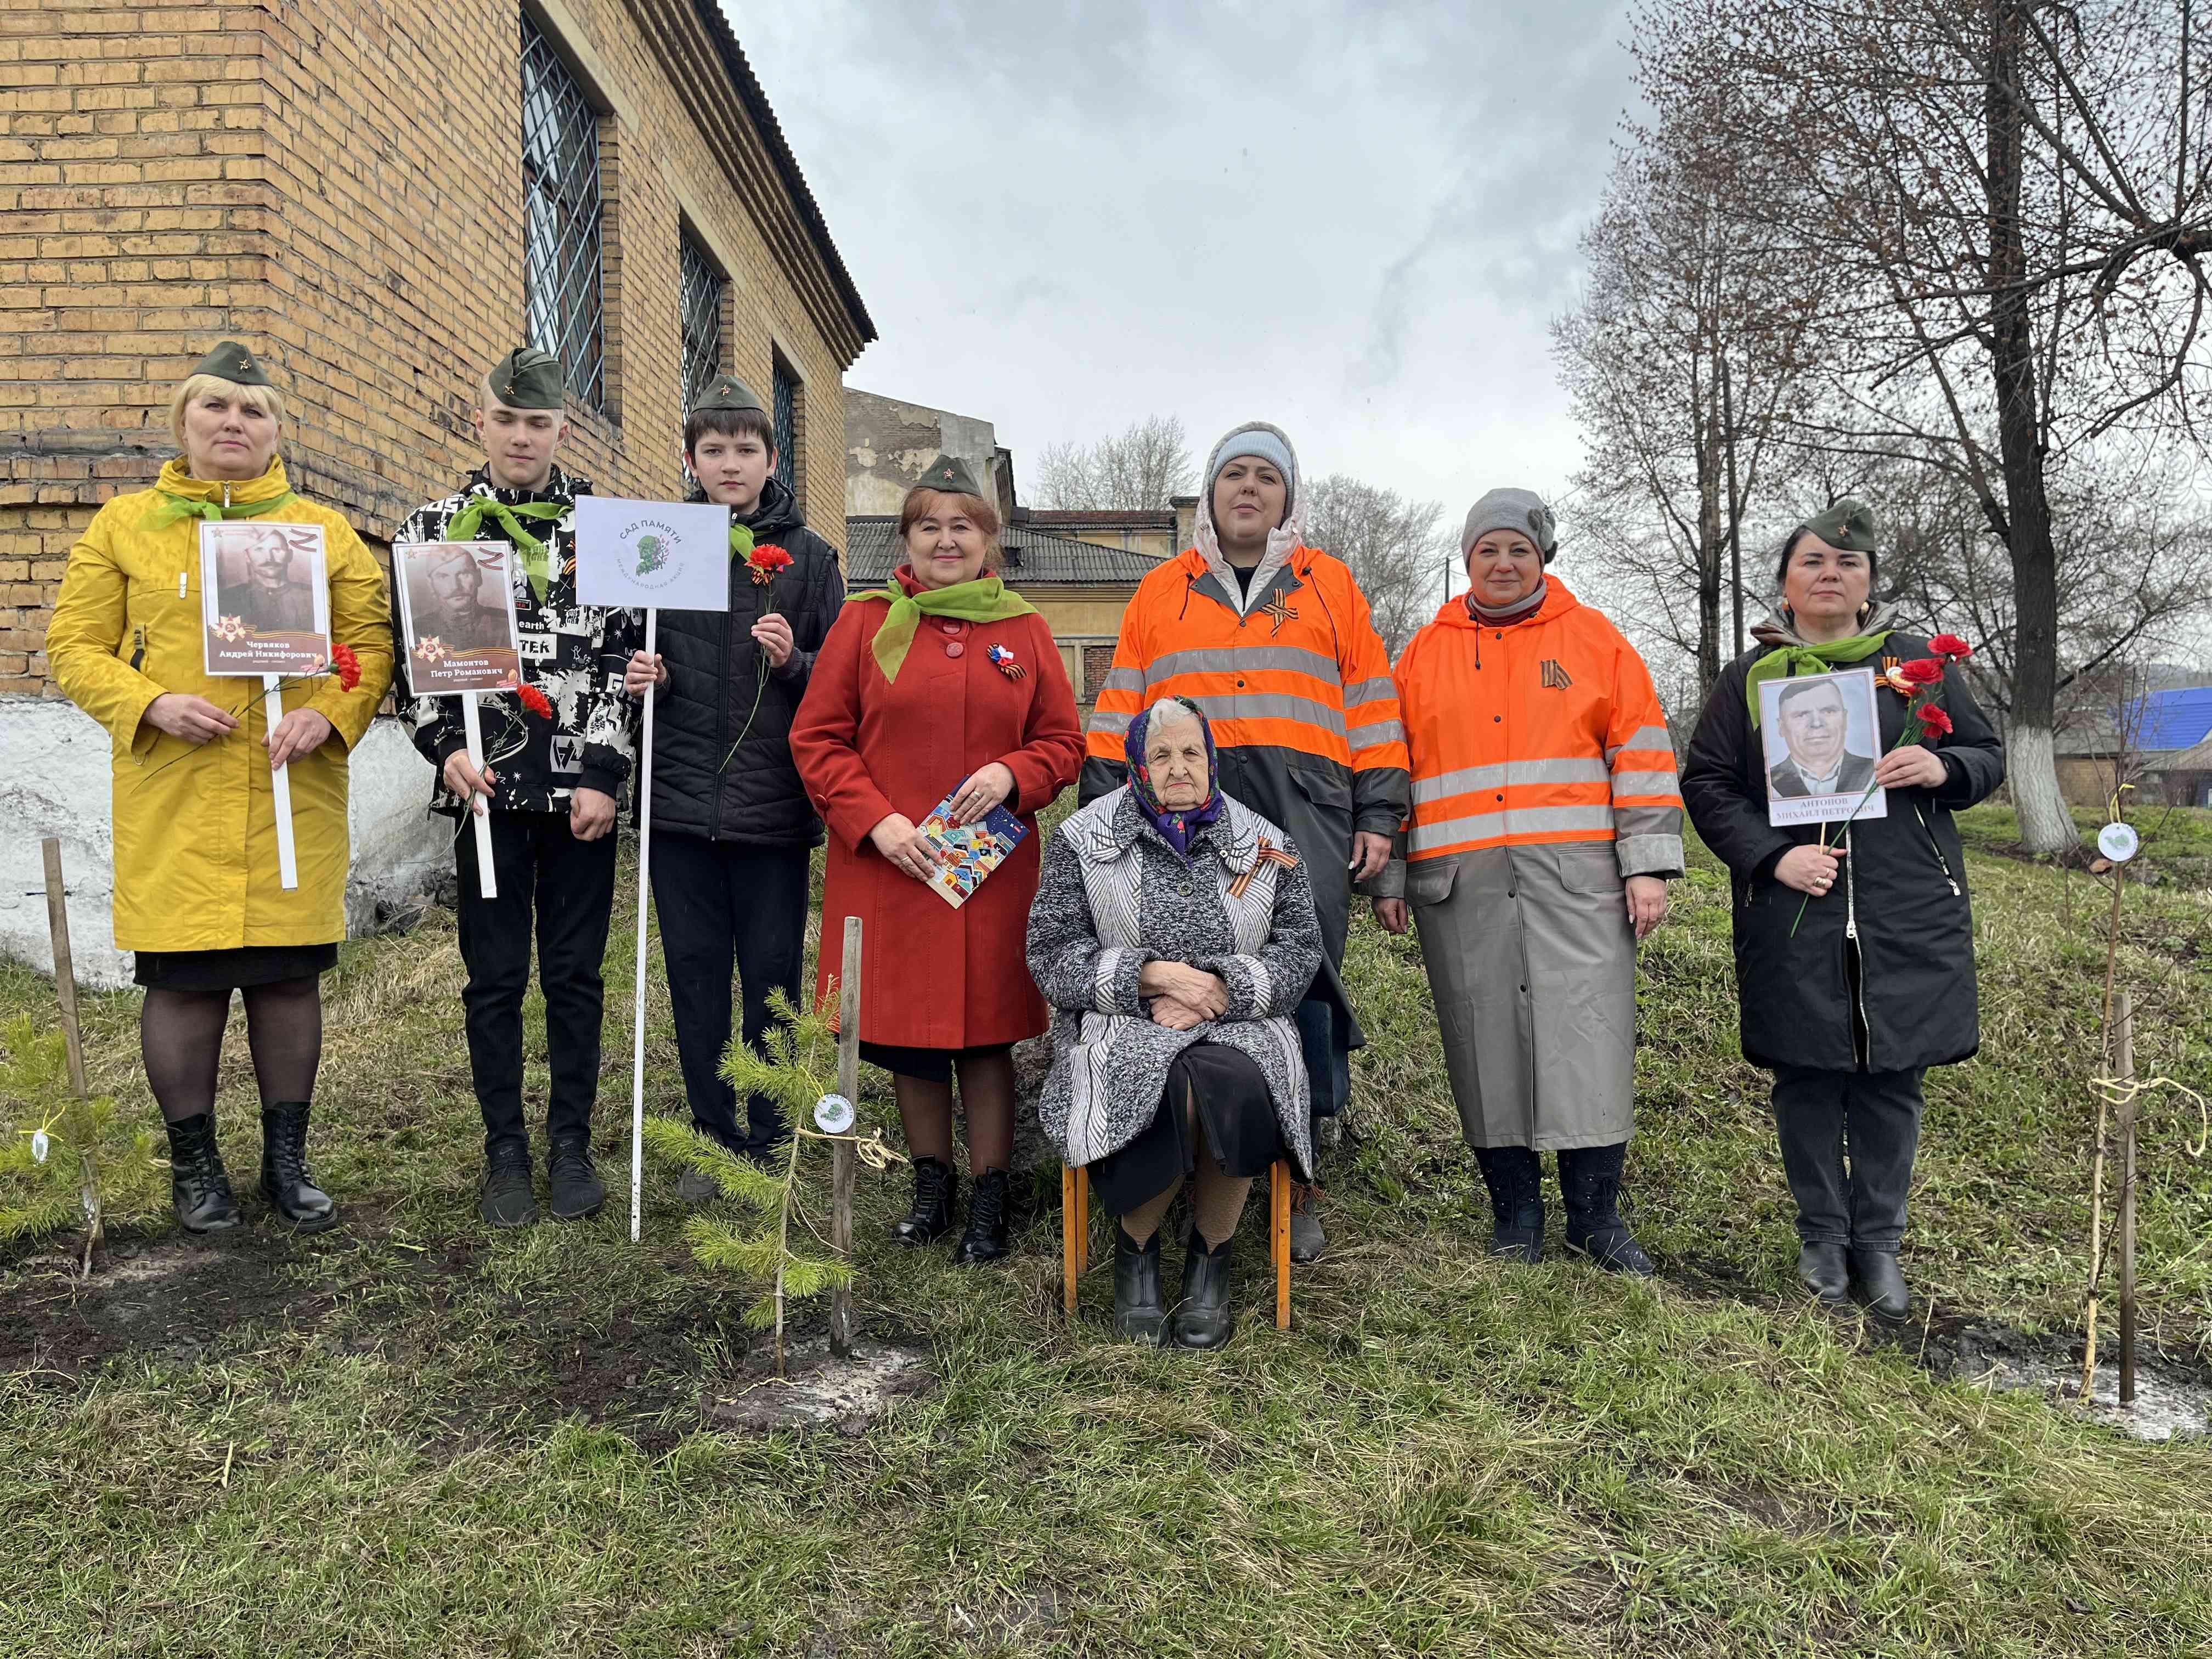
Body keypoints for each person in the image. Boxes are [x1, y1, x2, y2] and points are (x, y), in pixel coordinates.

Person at [45, 340, 393, 1234]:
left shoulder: (322, 531)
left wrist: (329, 712)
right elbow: (76, 647)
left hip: (289, 789)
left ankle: (288, 1159)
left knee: (286, 981)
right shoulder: (125, 525)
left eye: (253, 411)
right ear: (184, 423)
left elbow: (370, 643)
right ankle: (194, 1165)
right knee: (187, 982)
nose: (234, 423)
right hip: (179, 795)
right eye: (216, 409)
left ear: (277, 430)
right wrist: (150, 699)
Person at [1081, 422, 1408, 1262]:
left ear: (1288, 497)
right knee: (1186, 975)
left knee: (1302, 980)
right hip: (1187, 818)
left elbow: (1372, 707)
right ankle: (1176, 1156)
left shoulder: (1331, 585)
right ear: (1211, 493)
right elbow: (1122, 706)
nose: (1250, 490)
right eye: (1236, 475)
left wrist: (1377, 816)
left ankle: (1298, 1178)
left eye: (1268, 477)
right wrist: (1098, 813)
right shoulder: (1160, 591)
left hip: (1305, 816)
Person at [1681, 499, 2004, 1319]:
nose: (1831, 575)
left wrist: (1943, 772)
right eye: (1813, 563)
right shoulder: (1749, 680)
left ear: (1867, 585)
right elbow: (1709, 785)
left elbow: (1985, 754)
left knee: (1894, 1077)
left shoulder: (1920, 666)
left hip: (1905, 905)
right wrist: (1772, 854)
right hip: (1796, 908)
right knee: (1809, 1076)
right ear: (1786, 586)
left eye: (1848, 565)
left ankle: (1881, 1242)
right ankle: (1822, 1235)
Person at [1369, 489, 1681, 1274]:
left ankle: (1594, 1217)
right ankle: (1515, 1213)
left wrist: (1647, 867)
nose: (1503, 564)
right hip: (1461, 888)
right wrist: (1392, 876)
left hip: (1578, 885)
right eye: (1487, 551)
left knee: (1590, 1043)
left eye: (1518, 550)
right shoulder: (1424, 652)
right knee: (1484, 1047)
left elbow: (1640, 754)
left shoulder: (1596, 642)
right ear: (1468, 560)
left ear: (1542, 558)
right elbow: (1390, 769)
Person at [790, 456, 1084, 1265]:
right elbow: (818, 739)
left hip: (986, 874)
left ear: (989, 541)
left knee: (985, 1037)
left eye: (962, 525)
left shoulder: (1023, 630)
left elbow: (1063, 743)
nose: (945, 540)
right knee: (912, 1036)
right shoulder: (865, 622)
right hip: (894, 867)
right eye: (929, 526)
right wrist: (874, 823)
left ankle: (991, 1198)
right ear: (908, 540)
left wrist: (1012, 774)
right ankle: (933, 1189)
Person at [391, 346, 641, 1228]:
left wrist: (606, 773)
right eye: (508, 420)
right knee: (494, 978)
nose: (523, 437)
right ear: (481, 423)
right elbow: (412, 673)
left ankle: (570, 1142)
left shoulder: (603, 530)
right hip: (487, 786)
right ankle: (505, 1150)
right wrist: (441, 753)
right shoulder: (432, 533)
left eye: (539, 424)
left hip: (581, 794)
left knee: (574, 975)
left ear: (561, 430)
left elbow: (619, 657)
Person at [1029, 696, 1324, 1347]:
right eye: (1160, 755)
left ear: (1211, 759)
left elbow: (1300, 948)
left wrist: (1221, 987)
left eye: (1191, 752)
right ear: (1137, 764)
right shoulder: (1084, 838)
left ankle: (1209, 1260)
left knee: (1238, 1076)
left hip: (1242, 1017)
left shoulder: (1265, 842)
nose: (1178, 768)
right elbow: (1051, 955)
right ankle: (1138, 1251)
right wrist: (1151, 976)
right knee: (1164, 1079)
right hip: (1124, 1018)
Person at [622, 373, 846, 1180]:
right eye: (712, 449)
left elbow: (842, 681)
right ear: (690, 459)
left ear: (771, 457)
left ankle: (773, 1128)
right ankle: (712, 1132)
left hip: (772, 810)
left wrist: (796, 661)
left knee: (772, 974)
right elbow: (625, 645)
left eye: (744, 448)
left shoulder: (811, 557)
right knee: (695, 975)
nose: (729, 463)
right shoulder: (660, 547)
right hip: (678, 806)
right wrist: (645, 676)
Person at [1768, 677, 1877, 798]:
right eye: (1801, 715)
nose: (1816, 723)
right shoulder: (1768, 780)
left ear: (1845, 719)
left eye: (1829, 711)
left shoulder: (1874, 771)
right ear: (1782, 727)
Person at [216, 523, 316, 634]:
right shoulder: (228, 599)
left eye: (277, 550)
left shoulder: (312, 597)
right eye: (259, 550)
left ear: (290, 555)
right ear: (247, 556)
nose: (269, 558)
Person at [415, 545, 510, 654]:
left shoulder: (506, 623)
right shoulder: (417, 631)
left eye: (464, 574)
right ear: (431, 585)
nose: (455, 586)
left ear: (478, 577)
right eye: (443, 577)